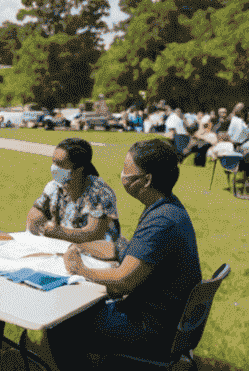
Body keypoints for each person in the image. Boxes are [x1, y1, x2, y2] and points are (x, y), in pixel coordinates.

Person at [45, 140, 201, 371]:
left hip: (151, 329)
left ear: (146, 180)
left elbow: (122, 281)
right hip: (171, 323)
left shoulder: (161, 222)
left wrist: (80, 270)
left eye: (127, 169)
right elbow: (122, 249)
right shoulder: (168, 208)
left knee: (60, 322)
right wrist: (84, 247)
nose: (122, 175)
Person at [25, 138, 121, 244]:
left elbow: (94, 234)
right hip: (63, 248)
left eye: (60, 164)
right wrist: (37, 224)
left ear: (79, 169)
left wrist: (59, 232)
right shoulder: (54, 187)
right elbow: (36, 213)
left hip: (98, 255)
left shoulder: (100, 192)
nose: (54, 167)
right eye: (53, 162)